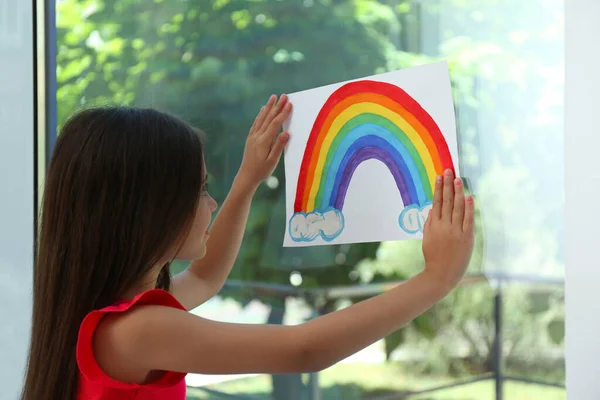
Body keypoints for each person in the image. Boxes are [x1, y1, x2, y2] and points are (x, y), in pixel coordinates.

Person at [21, 94, 474, 400]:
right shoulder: (139, 330)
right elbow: (302, 350)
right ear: (149, 209)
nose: (211, 203)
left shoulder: (112, 316)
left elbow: (204, 276)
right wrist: (434, 280)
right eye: (200, 190)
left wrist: (247, 180)